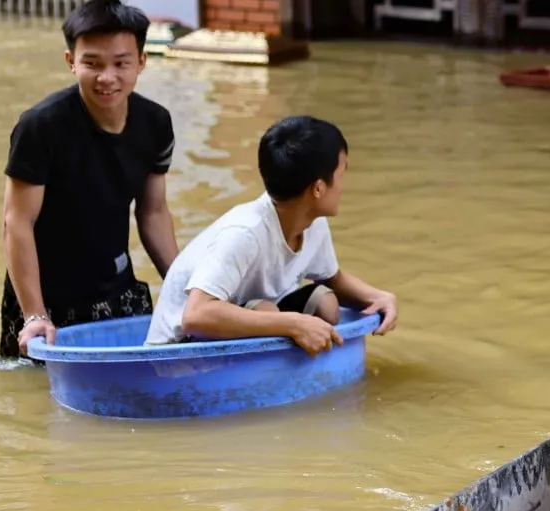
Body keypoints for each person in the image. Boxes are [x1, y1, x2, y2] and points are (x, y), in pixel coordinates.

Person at [1, 0, 179, 360]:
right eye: (92, 64)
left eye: (121, 63)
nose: (107, 77)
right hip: (45, 298)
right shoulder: (40, 127)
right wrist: (34, 314)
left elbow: (153, 213)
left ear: (141, 62)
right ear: (71, 62)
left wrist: (187, 290)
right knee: (37, 400)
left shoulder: (156, 123)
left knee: (141, 384)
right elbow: (18, 222)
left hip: (119, 289)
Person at [143, 115, 398, 352]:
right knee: (267, 310)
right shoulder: (245, 233)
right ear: (318, 189)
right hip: (177, 351)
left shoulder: (312, 221)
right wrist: (293, 324)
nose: (343, 186)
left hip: (239, 318)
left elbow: (333, 279)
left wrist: (378, 297)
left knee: (326, 304)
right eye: (341, 174)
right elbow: (195, 316)